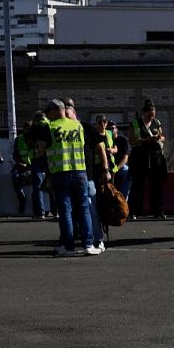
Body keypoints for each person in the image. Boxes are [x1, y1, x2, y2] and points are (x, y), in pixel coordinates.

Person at [36, 99, 99, 256]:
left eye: (48, 112)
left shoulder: (49, 127)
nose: (47, 116)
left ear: (56, 110)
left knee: (65, 211)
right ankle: (88, 245)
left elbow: (41, 151)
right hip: (80, 172)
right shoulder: (78, 125)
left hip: (60, 173)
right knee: (84, 209)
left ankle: (69, 247)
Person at [66, 99, 109, 252]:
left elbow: (101, 149)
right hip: (69, 176)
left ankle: (97, 239)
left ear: (74, 113)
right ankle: (77, 240)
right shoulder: (62, 130)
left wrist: (105, 170)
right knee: (71, 211)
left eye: (67, 113)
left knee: (91, 210)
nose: (64, 117)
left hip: (88, 176)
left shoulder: (87, 128)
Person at [128, 99, 168, 219]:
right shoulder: (135, 123)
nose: (151, 118)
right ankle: (134, 211)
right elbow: (131, 141)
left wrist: (159, 138)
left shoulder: (157, 123)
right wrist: (146, 140)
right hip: (140, 156)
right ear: (144, 113)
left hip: (155, 157)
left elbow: (163, 137)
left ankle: (158, 211)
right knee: (138, 185)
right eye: (149, 115)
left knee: (156, 185)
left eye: (153, 115)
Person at [26, 110, 55, 219]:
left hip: (36, 158)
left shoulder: (34, 127)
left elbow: (29, 142)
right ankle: (55, 212)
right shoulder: (51, 125)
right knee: (51, 183)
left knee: (37, 185)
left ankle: (40, 213)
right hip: (50, 157)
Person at [11, 121, 34, 215]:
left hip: (32, 166)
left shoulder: (35, 139)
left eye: (30, 129)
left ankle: (36, 202)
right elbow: (15, 155)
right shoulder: (18, 139)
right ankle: (22, 198)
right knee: (14, 176)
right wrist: (20, 163)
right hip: (22, 165)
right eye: (26, 129)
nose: (28, 131)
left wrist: (30, 165)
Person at [110, 122, 132, 203]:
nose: (111, 130)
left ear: (116, 129)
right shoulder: (104, 141)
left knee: (126, 171)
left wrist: (115, 169)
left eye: (112, 128)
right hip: (107, 167)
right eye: (108, 129)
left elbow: (125, 158)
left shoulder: (123, 140)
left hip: (119, 167)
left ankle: (122, 201)